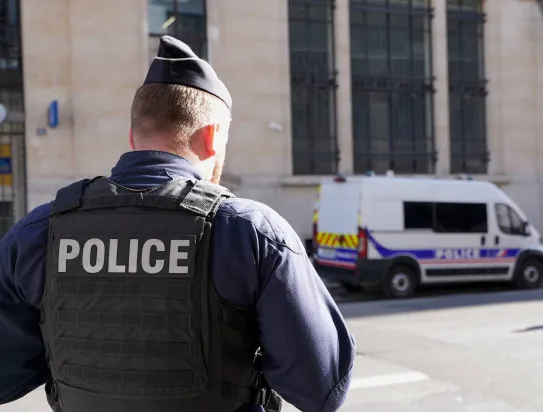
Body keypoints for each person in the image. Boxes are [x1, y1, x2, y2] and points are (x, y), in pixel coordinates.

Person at [0, 35, 355, 412]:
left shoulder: (38, 232)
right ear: (212, 136)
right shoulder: (251, 233)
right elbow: (321, 388)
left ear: (133, 135)